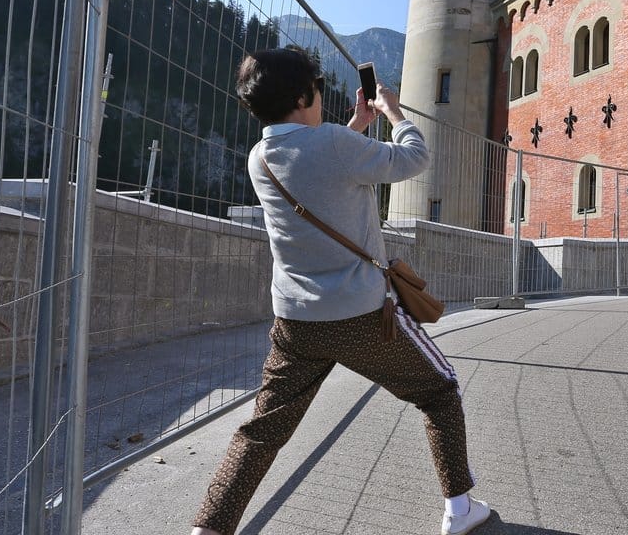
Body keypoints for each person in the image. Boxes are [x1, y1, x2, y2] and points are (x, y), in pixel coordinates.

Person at [191, 47, 490, 535]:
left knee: (262, 431)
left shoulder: (260, 157)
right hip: (362, 318)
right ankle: (459, 509)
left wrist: (355, 125)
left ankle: (210, 527)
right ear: (304, 95)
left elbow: (314, 172)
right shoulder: (332, 144)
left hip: (295, 324)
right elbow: (414, 158)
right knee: (440, 390)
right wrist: (393, 113)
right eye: (317, 90)